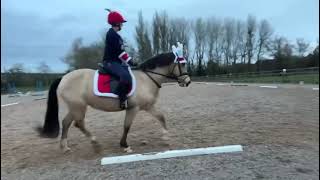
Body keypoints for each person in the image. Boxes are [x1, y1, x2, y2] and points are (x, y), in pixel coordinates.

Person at [102, 10, 138, 109]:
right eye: (121, 23)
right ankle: (122, 99)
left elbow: (120, 51)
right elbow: (120, 53)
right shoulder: (112, 35)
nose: (122, 25)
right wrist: (131, 61)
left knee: (128, 73)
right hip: (110, 62)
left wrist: (130, 61)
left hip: (116, 62)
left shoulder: (115, 35)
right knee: (125, 76)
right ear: (117, 23)